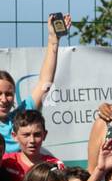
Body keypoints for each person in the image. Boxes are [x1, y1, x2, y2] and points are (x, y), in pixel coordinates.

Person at [0, 15, 67, 152]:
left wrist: (53, 39)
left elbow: (45, 82)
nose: (3, 99)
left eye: (8, 94)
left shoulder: (21, 116)